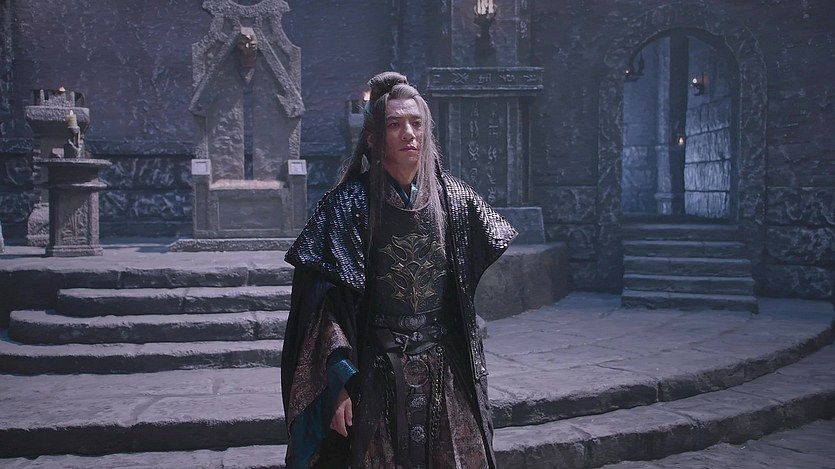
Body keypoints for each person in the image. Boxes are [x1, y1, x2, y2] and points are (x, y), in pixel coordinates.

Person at [282, 71, 516, 468]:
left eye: (416, 123)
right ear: (373, 138)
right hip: (375, 370)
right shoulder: (347, 206)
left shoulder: (456, 200)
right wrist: (337, 384)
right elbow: (325, 307)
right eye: (395, 124)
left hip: (445, 368)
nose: (409, 133)